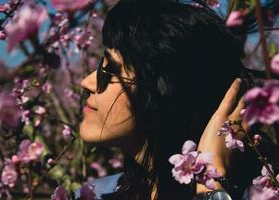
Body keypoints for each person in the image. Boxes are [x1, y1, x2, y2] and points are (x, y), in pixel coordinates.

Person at [75, 0, 259, 199]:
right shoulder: (91, 194)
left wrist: (211, 183)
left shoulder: (261, 193)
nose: (87, 82)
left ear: (165, 92)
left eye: (110, 70)